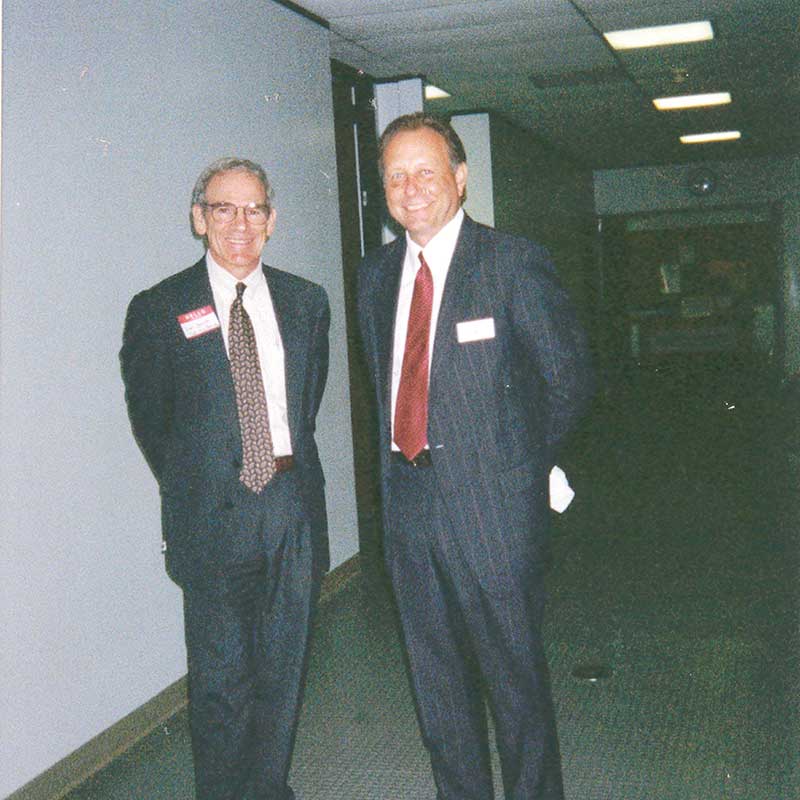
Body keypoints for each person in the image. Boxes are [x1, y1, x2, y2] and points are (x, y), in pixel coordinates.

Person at [357, 113, 592, 799]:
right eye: (396, 175)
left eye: (426, 171)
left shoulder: (511, 262)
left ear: (460, 178)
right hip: (408, 506)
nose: (411, 187)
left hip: (494, 512)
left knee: (514, 685)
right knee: (438, 690)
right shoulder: (375, 276)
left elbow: (568, 379)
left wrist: (516, 469)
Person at [120, 157, 329, 800]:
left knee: (283, 674)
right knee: (219, 684)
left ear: (273, 220)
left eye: (254, 209)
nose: (240, 223)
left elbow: (306, 403)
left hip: (291, 510)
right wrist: (205, 482)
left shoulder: (305, 302)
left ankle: (270, 789)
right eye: (223, 209)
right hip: (211, 517)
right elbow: (153, 422)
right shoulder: (160, 308)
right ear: (199, 219)